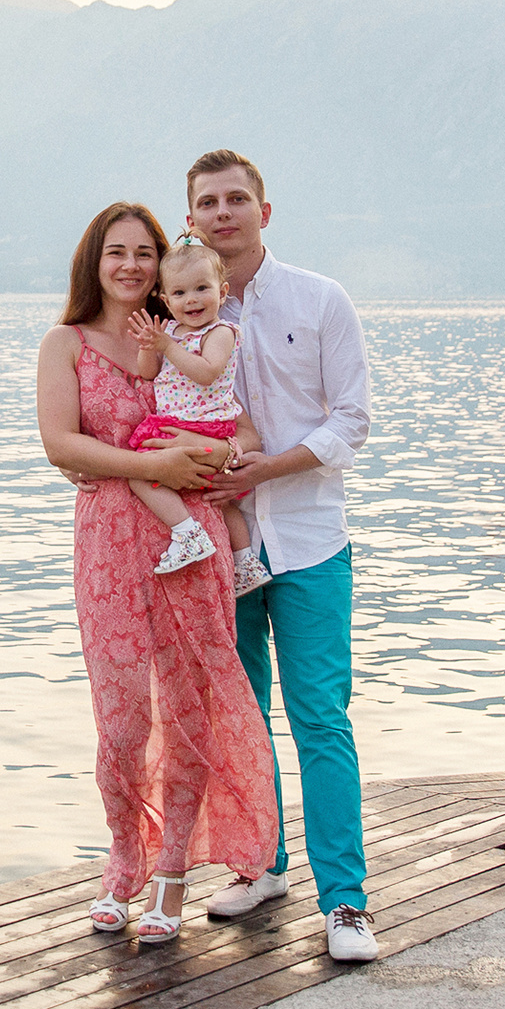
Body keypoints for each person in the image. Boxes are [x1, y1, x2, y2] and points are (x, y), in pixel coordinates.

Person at [35, 202, 280, 944]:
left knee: (186, 708)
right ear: (94, 261)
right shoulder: (65, 343)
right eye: (118, 252)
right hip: (109, 545)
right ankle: (122, 860)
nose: (133, 265)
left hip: (190, 540)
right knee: (120, 718)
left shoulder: (181, 335)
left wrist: (216, 458)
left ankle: (172, 871)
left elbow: (236, 425)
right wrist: (153, 464)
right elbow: (60, 444)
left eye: (145, 252)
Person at [184, 149, 380, 963]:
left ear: (265, 208)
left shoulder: (320, 298)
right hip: (217, 548)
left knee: (320, 718)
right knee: (240, 714)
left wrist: (271, 465)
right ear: (190, 216)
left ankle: (346, 903)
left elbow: (353, 420)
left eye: (237, 198)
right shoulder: (180, 312)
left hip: (307, 540)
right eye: (208, 202)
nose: (223, 212)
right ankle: (261, 865)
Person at [120, 240, 269, 593]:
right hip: (181, 422)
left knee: (139, 475)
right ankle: (245, 562)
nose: (192, 300)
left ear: (222, 292)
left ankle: (188, 533)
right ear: (167, 301)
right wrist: (148, 347)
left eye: (202, 288)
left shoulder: (221, 333)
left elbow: (207, 372)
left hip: (204, 425)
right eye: (180, 292)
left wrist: (168, 347)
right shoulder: (170, 332)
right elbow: (149, 373)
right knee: (216, 499)